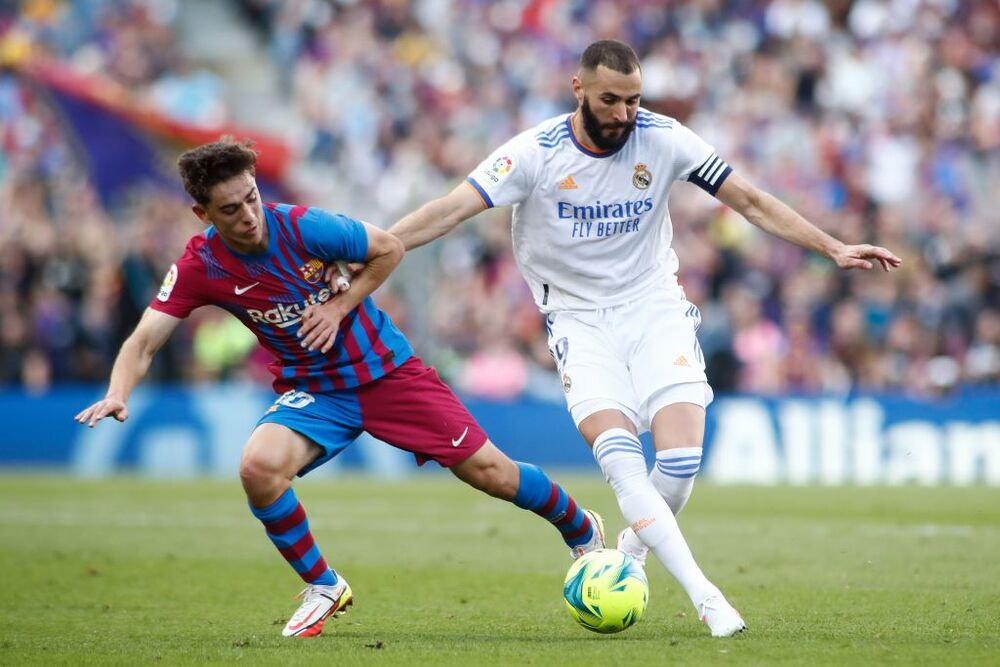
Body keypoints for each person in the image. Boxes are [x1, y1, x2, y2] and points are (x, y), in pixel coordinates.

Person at [388, 40, 901, 637]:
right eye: (610, 99)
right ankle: (706, 597)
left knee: (681, 463)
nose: (624, 114)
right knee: (626, 469)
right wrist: (369, 249)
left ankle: (629, 553)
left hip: (654, 307)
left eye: (633, 100)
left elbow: (751, 200)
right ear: (578, 90)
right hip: (578, 322)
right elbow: (449, 210)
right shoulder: (534, 154)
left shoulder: (665, 138)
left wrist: (833, 246)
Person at [74, 139, 605, 638]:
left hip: (387, 375)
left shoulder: (305, 227)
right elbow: (143, 341)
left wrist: (338, 305)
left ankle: (580, 525)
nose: (248, 215)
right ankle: (324, 585)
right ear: (203, 214)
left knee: (493, 474)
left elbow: (390, 248)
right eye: (230, 209)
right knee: (258, 468)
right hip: (317, 392)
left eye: (251, 198)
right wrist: (119, 391)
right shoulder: (201, 265)